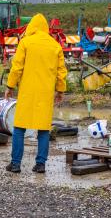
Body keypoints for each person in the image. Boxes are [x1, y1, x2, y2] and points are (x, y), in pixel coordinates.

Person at [4, 13, 67, 174]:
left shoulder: (25, 42)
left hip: (27, 92)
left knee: (19, 127)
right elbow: (61, 72)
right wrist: (60, 90)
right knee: (43, 129)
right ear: (45, 28)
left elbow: (16, 67)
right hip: (45, 94)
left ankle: (16, 164)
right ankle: (40, 164)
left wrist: (10, 86)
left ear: (32, 27)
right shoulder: (55, 46)